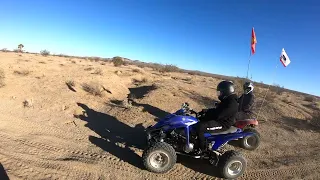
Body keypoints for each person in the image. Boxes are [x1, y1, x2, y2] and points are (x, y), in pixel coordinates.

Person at [195, 80, 239, 154]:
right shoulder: (227, 100)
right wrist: (205, 111)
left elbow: (219, 115)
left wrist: (207, 114)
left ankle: (203, 149)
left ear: (225, 91)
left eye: (220, 92)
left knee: (201, 126)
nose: (219, 94)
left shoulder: (232, 103)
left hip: (223, 124)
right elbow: (217, 110)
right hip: (219, 120)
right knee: (198, 120)